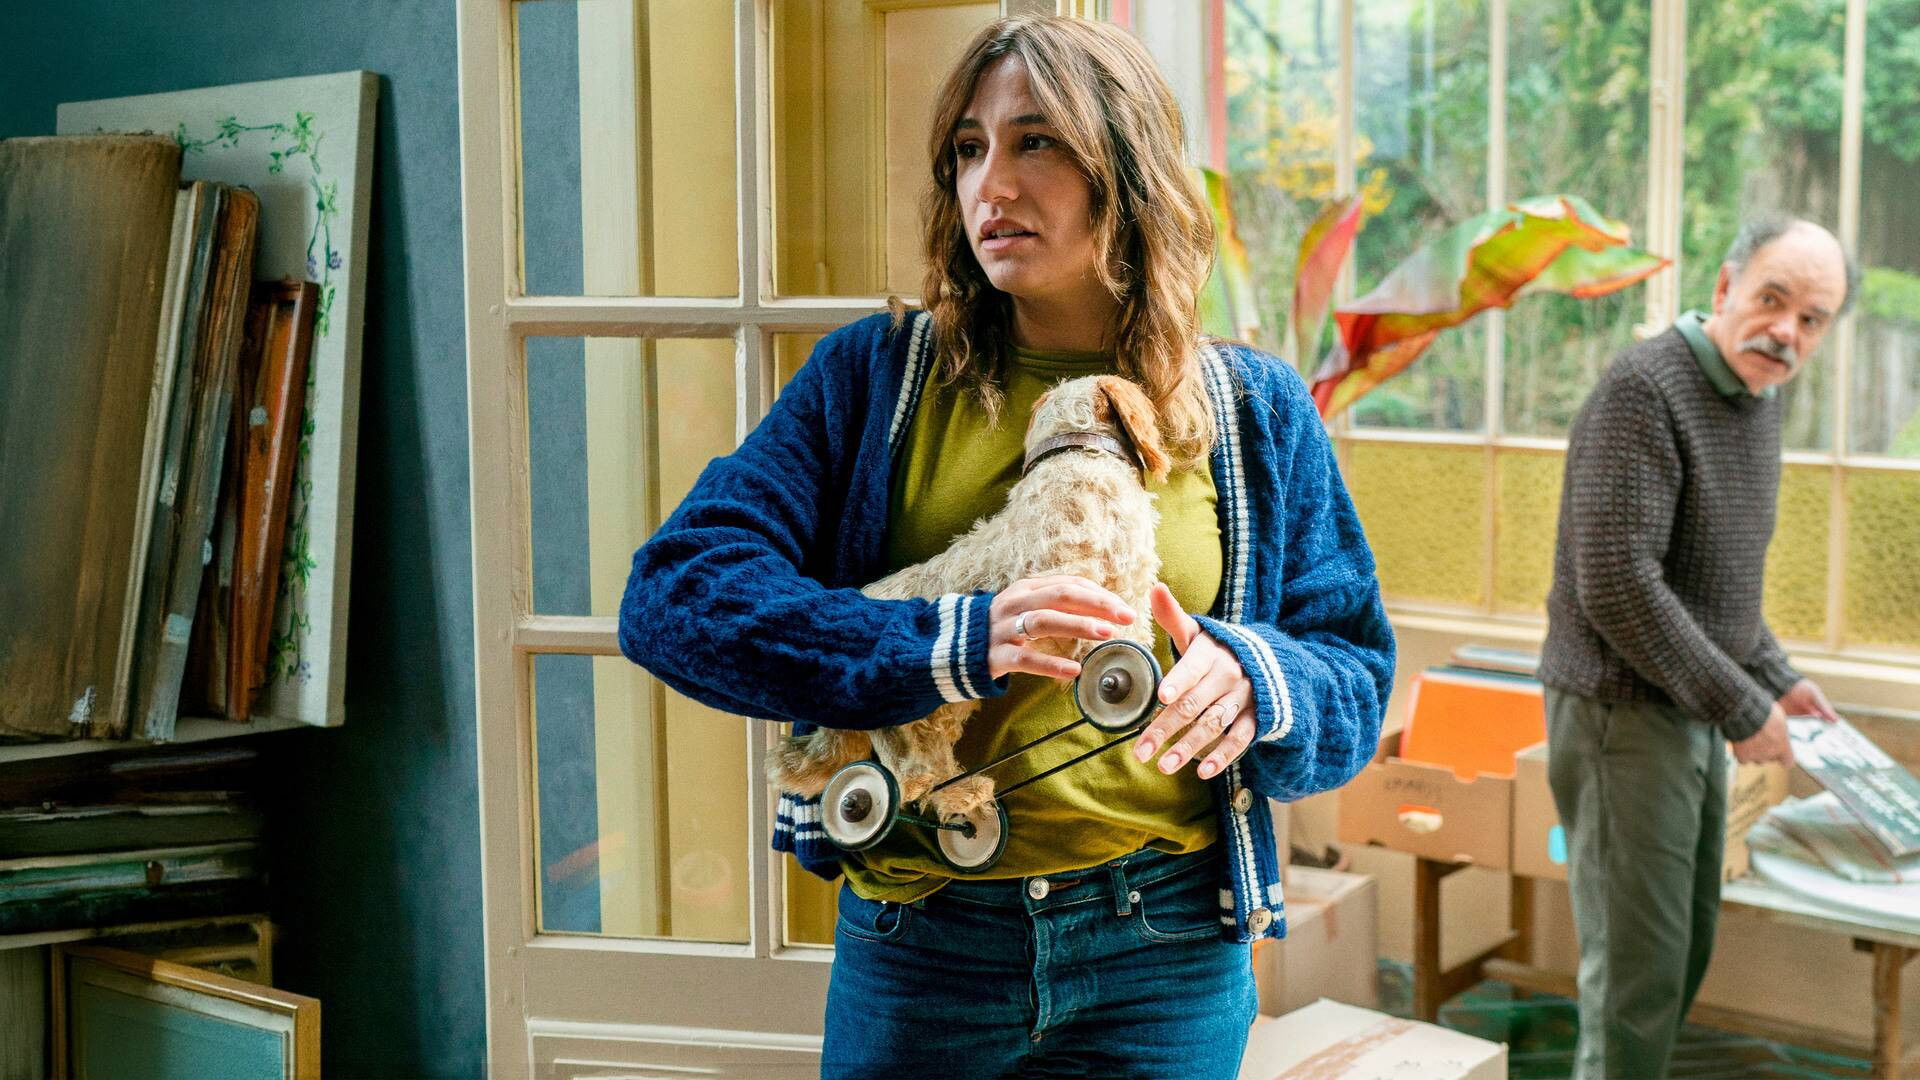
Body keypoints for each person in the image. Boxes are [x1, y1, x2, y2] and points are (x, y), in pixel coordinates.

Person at [619, 15, 1392, 1078]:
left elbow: (1353, 668)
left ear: (1126, 169)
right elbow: (674, 596)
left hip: (1165, 952)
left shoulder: (1254, 408)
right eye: (969, 149)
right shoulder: (873, 379)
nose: (992, 184)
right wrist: (946, 644)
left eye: (1036, 142)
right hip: (923, 945)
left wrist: (1258, 681)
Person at [1540, 216, 1855, 1079]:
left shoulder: (1756, 398)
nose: (1786, 331)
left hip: (1684, 707)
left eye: (1812, 319)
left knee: (1682, 949)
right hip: (1619, 714)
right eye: (1771, 300)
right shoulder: (1645, 389)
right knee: (1635, 977)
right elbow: (1619, 584)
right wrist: (1743, 706)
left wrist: (1777, 679)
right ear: (1724, 288)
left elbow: (1717, 584)